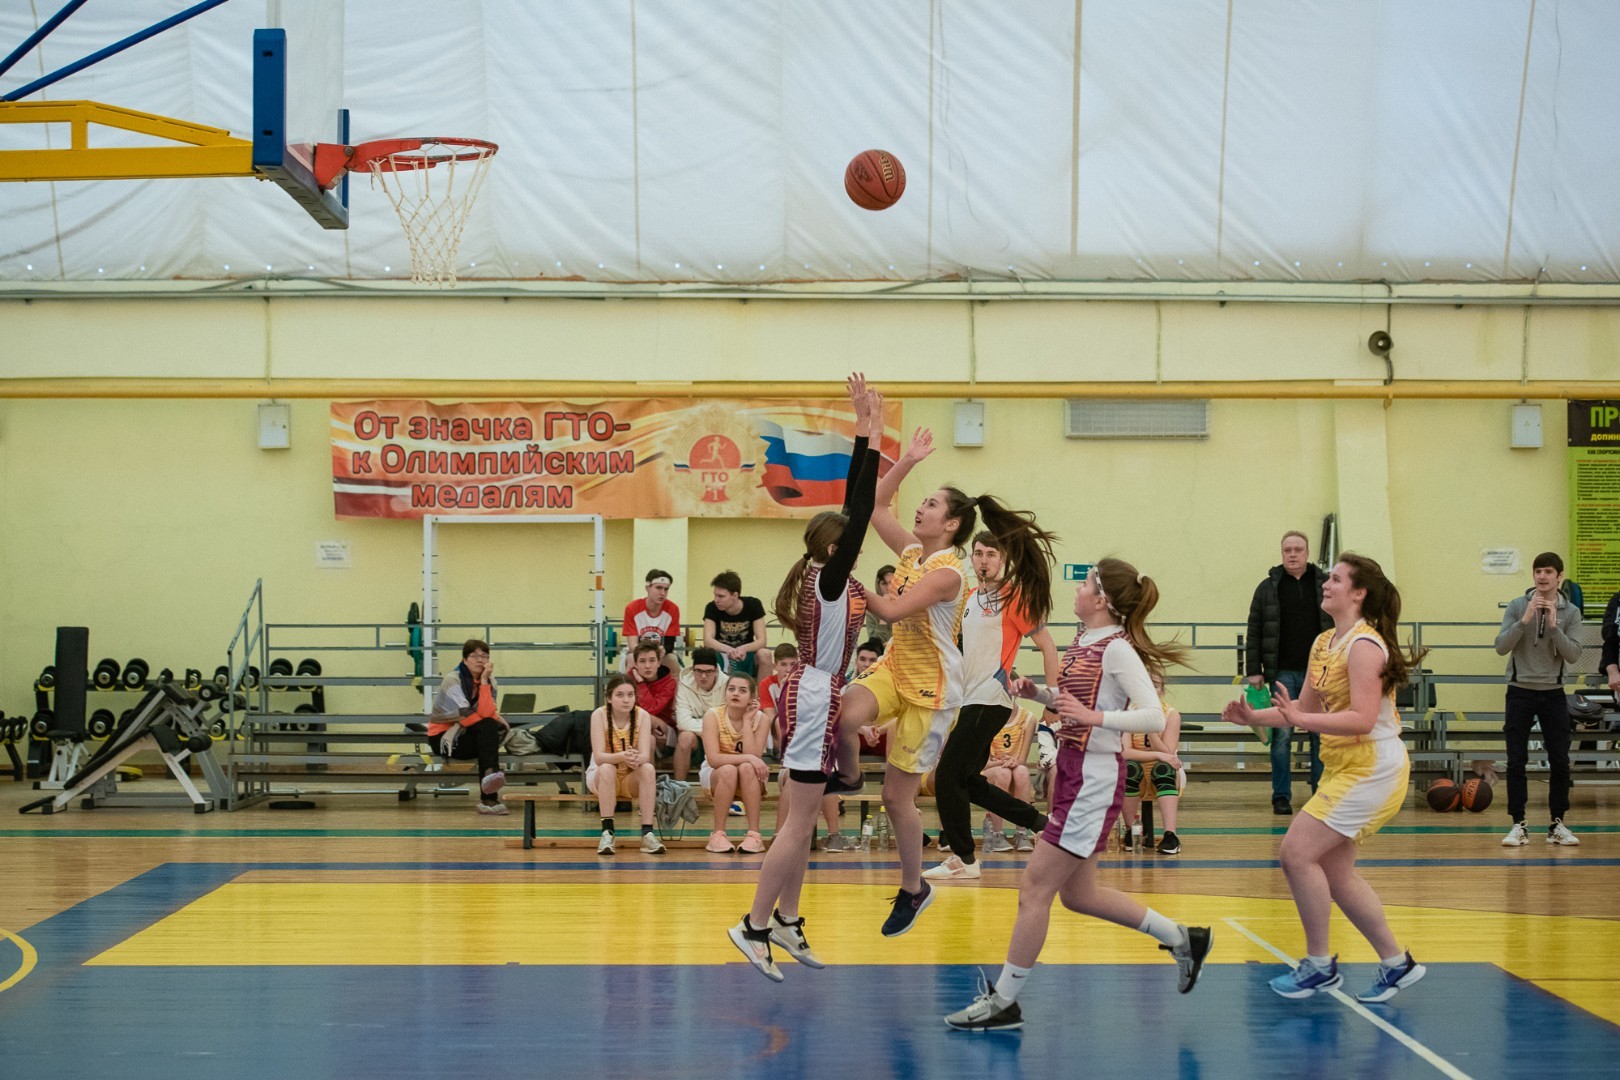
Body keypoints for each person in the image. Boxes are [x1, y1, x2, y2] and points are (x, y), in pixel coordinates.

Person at [945, 560, 1210, 1031]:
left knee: (1034, 888)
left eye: (1086, 583)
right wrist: (1039, 694)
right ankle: (1183, 938)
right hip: (1073, 770)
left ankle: (1005, 1001)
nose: (1078, 588)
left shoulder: (1118, 649)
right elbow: (1076, 703)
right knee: (1079, 895)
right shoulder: (1084, 639)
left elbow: (1152, 715)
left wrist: (1092, 719)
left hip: (1093, 777)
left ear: (1101, 599)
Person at [832, 429, 1061, 938]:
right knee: (843, 714)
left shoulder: (949, 574)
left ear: (952, 523)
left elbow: (890, 610)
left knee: (904, 797)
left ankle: (918, 885)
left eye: (931, 504)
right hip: (895, 669)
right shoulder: (917, 556)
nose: (920, 508)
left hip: (933, 693)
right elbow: (875, 506)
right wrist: (908, 460)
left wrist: (843, 575)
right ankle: (847, 779)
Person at [731, 373, 892, 980]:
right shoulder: (826, 579)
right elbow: (858, 507)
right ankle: (752, 926)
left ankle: (787, 919)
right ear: (833, 549)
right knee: (797, 823)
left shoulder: (831, 579)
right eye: (849, 542)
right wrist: (868, 435)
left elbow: (853, 512)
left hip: (822, 694)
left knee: (804, 822)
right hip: (812, 694)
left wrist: (867, 433)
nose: (858, 545)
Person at [1223, 552, 1428, 1003]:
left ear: (1359, 593)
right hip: (1344, 766)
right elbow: (1303, 709)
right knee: (1335, 874)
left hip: (1373, 767)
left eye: (1335, 579)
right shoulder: (1323, 642)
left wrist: (1300, 719)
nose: (1326, 584)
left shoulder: (1365, 646)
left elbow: (1362, 719)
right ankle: (1396, 963)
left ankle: (1319, 965)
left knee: (1296, 854)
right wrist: (1253, 717)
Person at [925, 529, 1059, 882]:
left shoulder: (1014, 596)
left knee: (946, 776)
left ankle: (963, 858)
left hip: (992, 698)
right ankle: (1043, 825)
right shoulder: (969, 597)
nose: (983, 560)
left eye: (991, 554)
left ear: (1003, 560)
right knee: (967, 781)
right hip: (968, 700)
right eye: (979, 553)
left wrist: (1053, 701)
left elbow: (1048, 645)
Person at [1494, 552, 1584, 847]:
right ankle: (1518, 824)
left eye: (1548, 572)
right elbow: (1501, 647)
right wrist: (1524, 620)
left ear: (1559, 576)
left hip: (1553, 692)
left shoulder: (1571, 612)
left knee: (1560, 761)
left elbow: (1573, 654)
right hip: (1519, 691)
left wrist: (1555, 626)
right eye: (1537, 571)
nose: (1542, 576)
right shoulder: (1518, 605)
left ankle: (1557, 824)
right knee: (1516, 760)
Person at [1246, 530, 1334, 815]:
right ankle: (1281, 796)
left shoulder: (1325, 584)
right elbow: (1254, 628)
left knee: (1320, 735)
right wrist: (1253, 669)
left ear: (1307, 553)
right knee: (1282, 736)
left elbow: (1339, 625)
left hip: (1319, 672)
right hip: (1282, 672)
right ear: (1282, 553)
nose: (1292, 554)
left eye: (1298, 549)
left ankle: (1321, 794)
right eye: (1287, 550)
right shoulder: (1267, 588)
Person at [428, 638, 510, 815]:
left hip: (470, 734)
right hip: (444, 738)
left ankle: (489, 786)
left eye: (484, 656)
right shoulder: (452, 681)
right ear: (465, 660)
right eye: (474, 656)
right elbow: (466, 714)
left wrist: (485, 680)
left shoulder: (490, 681)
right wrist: (486, 716)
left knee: (488, 728)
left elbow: (486, 713)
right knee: (488, 729)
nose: (480, 660)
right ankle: (489, 795)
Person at [588, 674, 666, 855]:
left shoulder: (642, 716)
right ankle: (607, 833)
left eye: (630, 695)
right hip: (602, 778)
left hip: (629, 778)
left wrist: (634, 759)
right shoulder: (599, 715)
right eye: (620, 695)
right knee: (607, 768)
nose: (626, 700)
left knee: (648, 768)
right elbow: (599, 757)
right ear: (609, 698)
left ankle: (647, 834)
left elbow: (645, 756)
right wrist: (622, 756)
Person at [701, 673, 771, 854]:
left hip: (750, 775)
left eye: (742, 690)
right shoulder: (712, 716)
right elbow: (713, 759)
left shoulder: (762, 719)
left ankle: (754, 835)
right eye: (731, 689)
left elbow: (754, 756)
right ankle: (718, 834)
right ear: (725, 693)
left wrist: (747, 721)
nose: (735, 693)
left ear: (752, 697)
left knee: (747, 768)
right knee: (729, 770)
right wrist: (749, 758)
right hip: (718, 774)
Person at [1123, 676, 1185, 855]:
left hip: (1165, 769)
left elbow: (1168, 753)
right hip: (1137, 767)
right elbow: (1125, 752)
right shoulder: (1128, 714)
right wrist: (1157, 754)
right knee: (1128, 768)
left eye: (1155, 686)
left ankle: (1170, 835)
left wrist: (1152, 732)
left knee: (1163, 768)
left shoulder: (1171, 714)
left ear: (1162, 691)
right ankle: (1132, 832)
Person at [978, 704, 1041, 854]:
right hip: (989, 770)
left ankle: (1022, 832)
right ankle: (997, 833)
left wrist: (1014, 762)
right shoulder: (984, 716)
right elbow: (982, 763)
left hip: (1014, 767)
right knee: (1003, 774)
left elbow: (1022, 760)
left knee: (1022, 772)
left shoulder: (1028, 718)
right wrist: (1001, 762)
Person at [673, 647, 726, 781]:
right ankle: (679, 787)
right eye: (699, 671)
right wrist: (711, 728)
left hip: (721, 738)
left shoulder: (727, 684)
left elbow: (728, 721)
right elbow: (683, 722)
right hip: (698, 738)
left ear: (716, 671)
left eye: (708, 672)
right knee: (685, 737)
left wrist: (709, 730)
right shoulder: (684, 684)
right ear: (693, 670)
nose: (703, 676)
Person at [705, 571, 768, 677]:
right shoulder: (711, 607)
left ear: (735, 595)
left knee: (765, 654)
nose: (716, 600)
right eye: (715, 595)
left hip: (746, 653)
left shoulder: (753, 604)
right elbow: (708, 640)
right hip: (722, 653)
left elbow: (762, 641)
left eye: (721, 596)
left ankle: (761, 688)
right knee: (707, 654)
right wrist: (730, 650)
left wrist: (742, 649)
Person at [622, 569, 682, 671]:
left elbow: (669, 645)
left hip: (660, 654)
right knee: (631, 659)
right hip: (637, 652)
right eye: (658, 588)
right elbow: (633, 646)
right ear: (647, 588)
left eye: (666, 589)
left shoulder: (673, 609)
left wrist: (662, 651)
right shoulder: (632, 608)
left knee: (672, 660)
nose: (662, 593)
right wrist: (648, 656)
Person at [628, 641, 677, 748]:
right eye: (642, 661)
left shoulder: (669, 683)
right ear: (635, 664)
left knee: (645, 717)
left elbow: (651, 709)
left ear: (659, 663)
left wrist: (640, 683)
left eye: (652, 660)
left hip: (664, 730)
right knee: (647, 739)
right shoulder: (629, 679)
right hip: (637, 729)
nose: (647, 666)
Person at [864, 564, 897, 646]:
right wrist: (883, 614)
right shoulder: (871, 610)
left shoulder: (907, 604)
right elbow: (873, 644)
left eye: (891, 582)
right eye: (884, 584)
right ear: (878, 586)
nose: (889, 587)